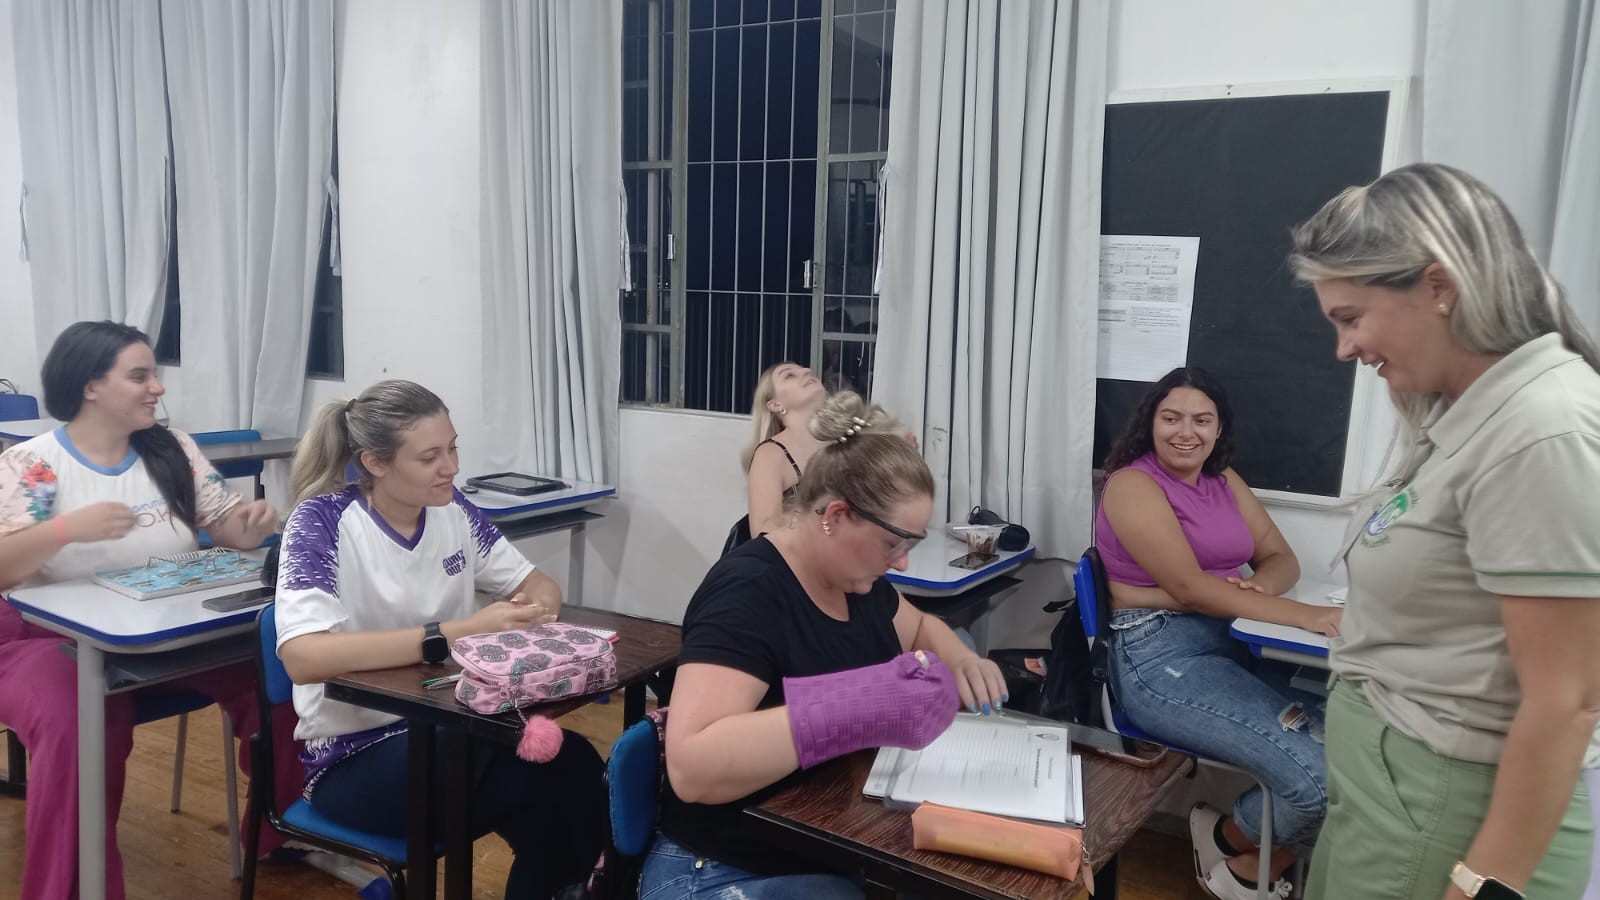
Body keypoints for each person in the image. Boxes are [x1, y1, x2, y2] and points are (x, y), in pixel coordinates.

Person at [1289, 162, 1600, 900]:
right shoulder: (1473, 414)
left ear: (1438, 286)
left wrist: (1484, 884)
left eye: (1350, 317)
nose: (1345, 350)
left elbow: (1569, 698)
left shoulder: (1541, 429)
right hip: (1399, 792)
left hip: (1445, 808)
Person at [642, 391, 1008, 899]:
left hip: (823, 846)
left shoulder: (858, 582)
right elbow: (692, 768)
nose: (902, 562)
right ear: (835, 513)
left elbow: (921, 628)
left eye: (911, 544)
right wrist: (860, 703)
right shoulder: (749, 592)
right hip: (721, 869)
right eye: (894, 542)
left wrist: (963, 657)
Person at [0, 320, 300, 900]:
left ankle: (285, 830)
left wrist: (250, 526)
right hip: (50, 641)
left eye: (154, 374)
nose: (156, 388)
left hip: (168, 630)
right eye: (139, 376)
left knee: (287, 671)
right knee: (80, 719)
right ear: (91, 386)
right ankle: (71, 889)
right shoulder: (35, 466)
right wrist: (64, 529)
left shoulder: (172, 450)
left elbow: (227, 527)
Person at [273, 379, 606, 899]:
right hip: (353, 757)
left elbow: (537, 583)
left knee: (575, 766)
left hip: (453, 728)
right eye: (430, 456)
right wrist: (454, 634)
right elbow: (302, 657)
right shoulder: (321, 522)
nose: (450, 467)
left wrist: (534, 610)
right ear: (375, 463)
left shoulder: (453, 510)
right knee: (544, 784)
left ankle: (583, 885)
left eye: (452, 448)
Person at [1095, 365, 1340, 900]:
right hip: (1158, 656)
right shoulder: (1132, 484)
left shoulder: (1222, 481)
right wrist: (1305, 617)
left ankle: (1232, 847)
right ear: (1149, 424)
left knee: (1356, 748)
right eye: (1172, 418)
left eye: (1202, 420)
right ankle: (1242, 858)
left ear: (1220, 429)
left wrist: (1256, 592)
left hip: (1231, 638)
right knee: (1318, 781)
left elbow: (1280, 558)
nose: (1187, 432)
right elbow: (1186, 588)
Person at [737, 362, 829, 546]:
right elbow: (763, 531)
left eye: (805, 369)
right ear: (775, 404)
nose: (806, 371)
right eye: (789, 375)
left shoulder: (846, 440)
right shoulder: (770, 454)